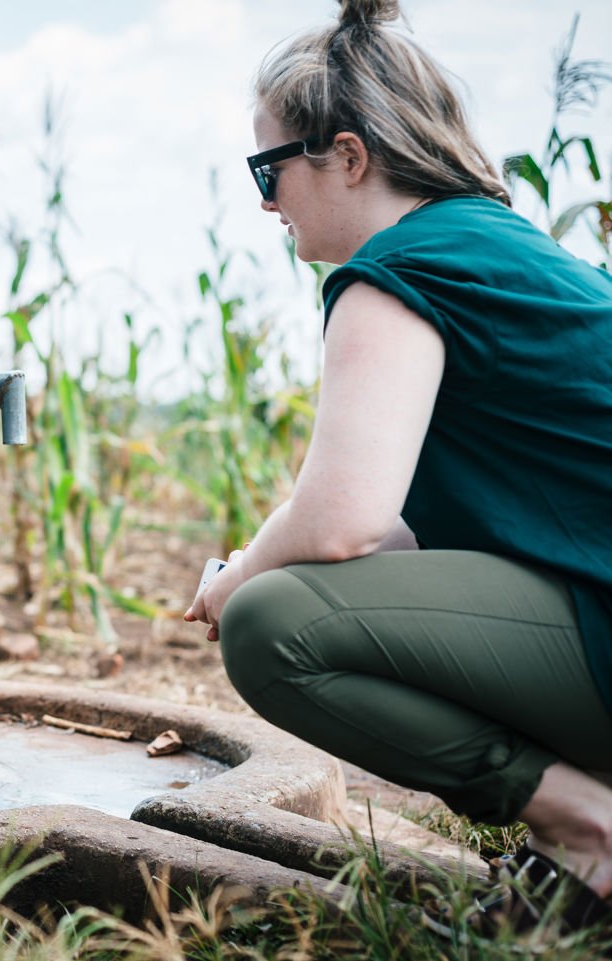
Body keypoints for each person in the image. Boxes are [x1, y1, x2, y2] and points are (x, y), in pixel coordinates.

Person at [186, 0, 612, 931]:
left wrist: (238, 576)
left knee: (270, 625)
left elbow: (341, 519)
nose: (264, 201)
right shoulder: (491, 248)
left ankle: (592, 831)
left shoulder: (396, 274)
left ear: (348, 157)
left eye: (271, 168)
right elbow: (396, 532)